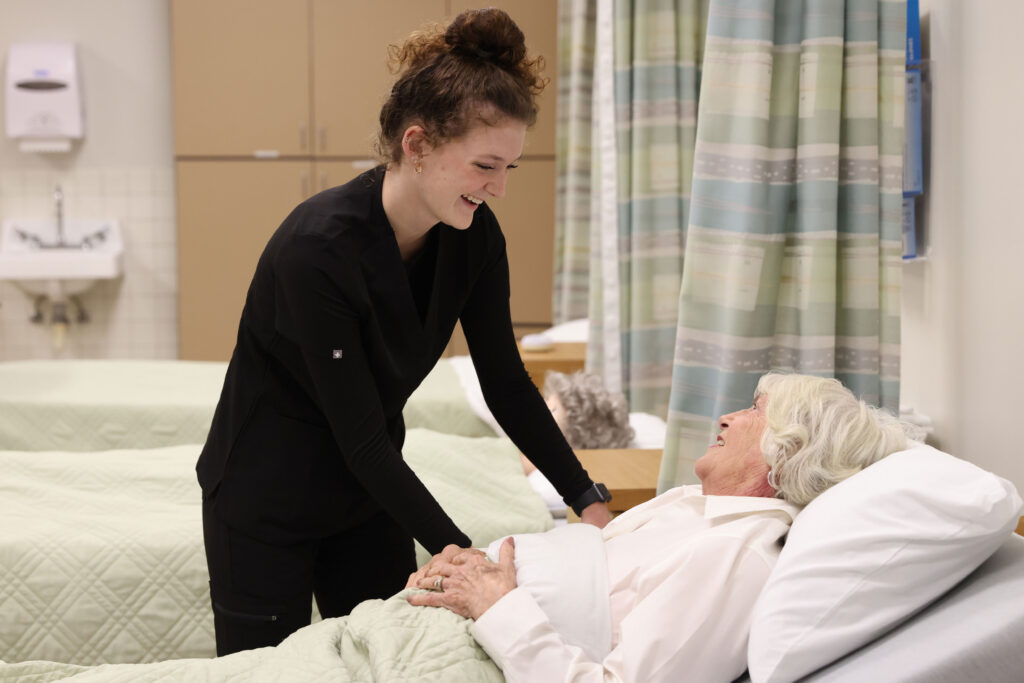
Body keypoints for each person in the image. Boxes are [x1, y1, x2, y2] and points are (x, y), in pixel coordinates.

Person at [196, 8, 611, 657]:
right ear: (416, 145)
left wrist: (586, 497)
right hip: (264, 500)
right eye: (484, 165)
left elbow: (505, 382)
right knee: (265, 675)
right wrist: (463, 554)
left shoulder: (473, 239)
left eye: (509, 169)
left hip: (366, 497)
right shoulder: (317, 249)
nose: (498, 188)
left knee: (385, 662)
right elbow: (359, 436)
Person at [408, 372, 923, 682]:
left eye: (754, 412)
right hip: (445, 626)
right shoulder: (694, 506)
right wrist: (462, 572)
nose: (726, 417)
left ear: (786, 455)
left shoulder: (736, 557)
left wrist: (494, 604)